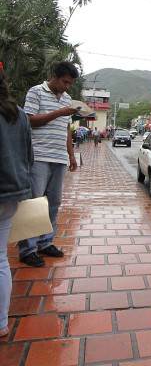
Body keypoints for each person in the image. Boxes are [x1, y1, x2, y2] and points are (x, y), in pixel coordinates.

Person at [18, 61, 80, 267]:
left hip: (59, 158)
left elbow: (66, 131)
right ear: (54, 76)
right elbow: (29, 120)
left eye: (70, 83)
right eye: (64, 82)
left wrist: (71, 155)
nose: (66, 87)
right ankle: (27, 249)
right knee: (35, 203)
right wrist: (58, 112)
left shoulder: (68, 99)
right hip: (39, 157)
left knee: (53, 203)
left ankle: (45, 243)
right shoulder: (36, 92)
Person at [0, 62, 34, 336]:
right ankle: (1, 323)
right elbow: (28, 156)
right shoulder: (19, 114)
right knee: (1, 259)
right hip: (13, 192)